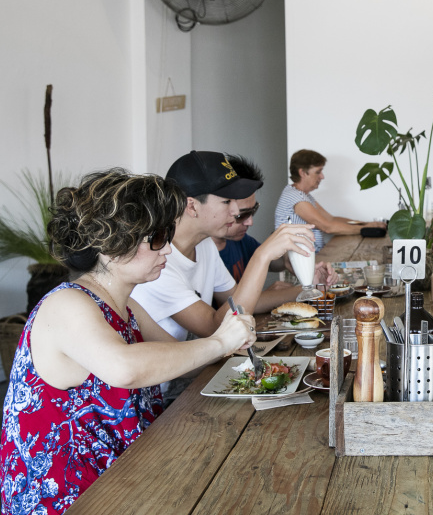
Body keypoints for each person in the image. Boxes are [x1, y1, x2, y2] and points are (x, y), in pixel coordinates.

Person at [0, 170, 256, 514]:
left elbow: (176, 359)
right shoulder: (67, 303)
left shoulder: (126, 305)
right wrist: (220, 342)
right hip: (70, 497)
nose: (168, 248)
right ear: (111, 245)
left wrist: (231, 343)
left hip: (123, 476)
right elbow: (124, 369)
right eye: (157, 237)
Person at [130, 151, 321, 401]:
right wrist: (262, 256)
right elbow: (215, 326)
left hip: (196, 374)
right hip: (164, 394)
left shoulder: (204, 244)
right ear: (192, 206)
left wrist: (308, 287)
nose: (235, 210)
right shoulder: (158, 262)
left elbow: (237, 301)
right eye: (226, 202)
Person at [213, 154, 337, 311]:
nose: (250, 222)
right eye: (242, 215)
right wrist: (306, 289)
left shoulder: (239, 241)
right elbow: (237, 306)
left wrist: (292, 260)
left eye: (253, 211)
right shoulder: (207, 253)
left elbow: (274, 262)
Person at [274, 149, 386, 251]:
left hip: (312, 256)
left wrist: (367, 223)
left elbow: (331, 219)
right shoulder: (295, 197)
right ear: (302, 173)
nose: (322, 176)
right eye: (318, 172)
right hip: (303, 260)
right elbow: (327, 227)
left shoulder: (304, 196)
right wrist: (366, 228)